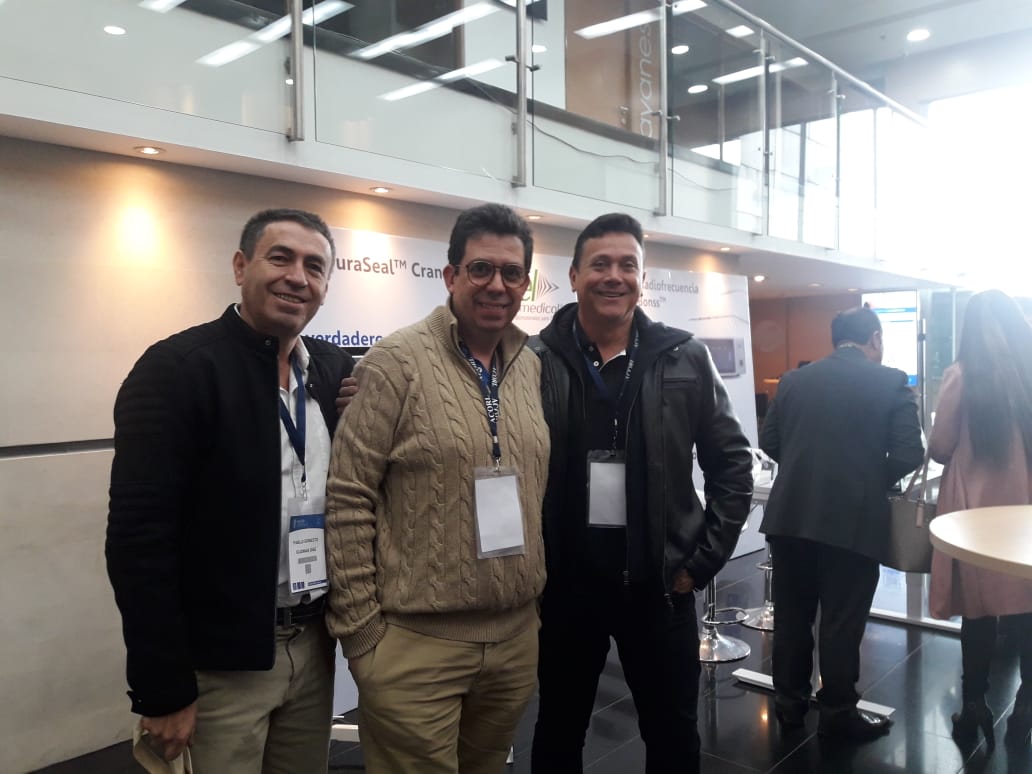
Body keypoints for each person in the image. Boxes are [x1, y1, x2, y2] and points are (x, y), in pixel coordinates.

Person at [106, 208, 355, 771]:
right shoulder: (178, 370)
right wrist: (162, 687)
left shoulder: (332, 370)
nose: (297, 277)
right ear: (241, 267)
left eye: (314, 266)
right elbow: (138, 543)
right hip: (221, 664)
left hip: (314, 643)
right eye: (280, 258)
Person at [324, 203, 549, 773]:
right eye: (481, 269)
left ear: (525, 284)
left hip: (515, 639)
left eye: (512, 273)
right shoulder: (394, 362)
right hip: (415, 646)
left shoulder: (529, 366)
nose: (497, 285)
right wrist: (363, 636)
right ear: (451, 275)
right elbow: (348, 497)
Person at [529, 212, 753, 774]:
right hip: (567, 589)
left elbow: (732, 464)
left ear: (641, 278)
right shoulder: (535, 360)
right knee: (557, 732)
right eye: (600, 264)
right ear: (574, 275)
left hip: (659, 587)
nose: (614, 276)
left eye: (627, 265)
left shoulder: (684, 357)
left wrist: (699, 563)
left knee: (673, 736)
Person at [760, 306, 923, 742]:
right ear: (875, 338)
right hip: (853, 520)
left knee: (792, 617)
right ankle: (836, 712)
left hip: (790, 516)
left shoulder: (793, 380)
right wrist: (866, 479)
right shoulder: (892, 381)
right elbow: (910, 452)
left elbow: (769, 440)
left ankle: (789, 706)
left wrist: (807, 470)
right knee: (841, 621)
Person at [929, 289, 1032, 749]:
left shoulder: (962, 376)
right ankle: (1027, 703)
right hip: (1024, 507)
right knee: (1028, 603)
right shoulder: (1028, 372)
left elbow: (939, 447)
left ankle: (974, 704)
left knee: (978, 610)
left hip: (973, 511)